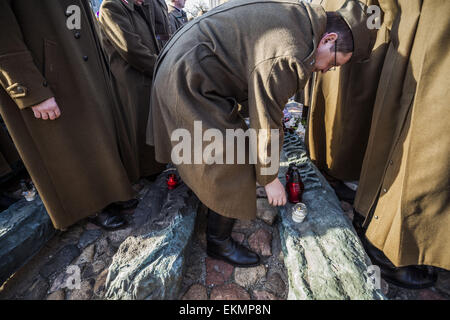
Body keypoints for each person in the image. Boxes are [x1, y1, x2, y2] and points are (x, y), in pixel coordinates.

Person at [147, 0, 376, 267]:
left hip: (186, 63)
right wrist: (269, 178)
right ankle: (217, 241)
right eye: (334, 63)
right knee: (236, 157)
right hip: (187, 77)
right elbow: (266, 117)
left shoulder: (301, 19)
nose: (326, 70)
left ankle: (206, 191)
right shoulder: (292, 51)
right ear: (330, 38)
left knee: (226, 144)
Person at [0, 0, 137, 231]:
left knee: (94, 132)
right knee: (66, 144)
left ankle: (112, 191)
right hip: (45, 70)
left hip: (74, 59)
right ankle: (90, 205)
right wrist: (30, 89)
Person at [354, 0, 450, 288]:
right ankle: (390, 247)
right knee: (426, 141)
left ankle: (385, 231)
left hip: (410, 29)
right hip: (428, 32)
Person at [305, 0, 398, 204]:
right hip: (355, 38)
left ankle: (328, 161)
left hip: (342, 37)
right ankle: (339, 169)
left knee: (339, 102)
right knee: (348, 106)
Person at [98, 0, 167, 183]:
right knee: (141, 124)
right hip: (132, 79)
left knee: (154, 122)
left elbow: (157, 36)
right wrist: (162, 66)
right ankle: (147, 171)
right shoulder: (111, 7)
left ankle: (158, 163)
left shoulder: (143, 5)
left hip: (150, 72)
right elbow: (131, 48)